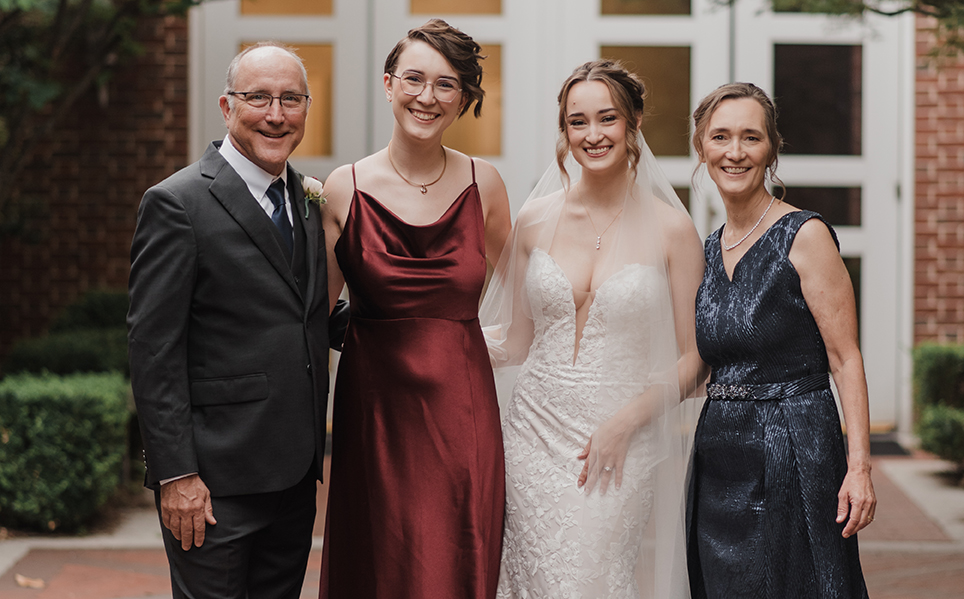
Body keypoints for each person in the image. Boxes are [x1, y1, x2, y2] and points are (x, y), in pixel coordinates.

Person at [127, 42, 348, 598]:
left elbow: (309, 315)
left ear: (306, 108)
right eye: (259, 98)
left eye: (290, 100)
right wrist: (177, 476)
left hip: (295, 477)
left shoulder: (305, 197)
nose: (276, 114)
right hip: (213, 484)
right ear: (228, 107)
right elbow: (154, 349)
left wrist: (422, 323)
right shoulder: (176, 203)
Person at [480, 59, 707, 599]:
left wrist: (625, 422)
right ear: (564, 131)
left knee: (586, 582)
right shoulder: (534, 219)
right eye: (577, 121)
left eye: (606, 119)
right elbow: (514, 340)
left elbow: (695, 360)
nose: (592, 134)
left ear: (634, 124)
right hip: (531, 435)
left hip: (622, 440)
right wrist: (422, 335)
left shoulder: (675, 231)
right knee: (532, 581)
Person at [318, 19, 511, 599]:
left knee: (454, 555)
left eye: (446, 85)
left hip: (463, 406)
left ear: (464, 99)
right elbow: (313, 316)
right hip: (374, 409)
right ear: (388, 84)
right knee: (380, 556)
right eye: (414, 79)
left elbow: (535, 297)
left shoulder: (487, 186)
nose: (427, 97)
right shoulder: (342, 188)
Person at [686, 82, 876, 599]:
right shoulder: (705, 250)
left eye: (751, 137)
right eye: (720, 136)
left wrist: (858, 466)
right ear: (702, 148)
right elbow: (700, 361)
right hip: (718, 458)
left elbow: (845, 357)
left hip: (794, 448)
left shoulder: (804, 234)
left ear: (772, 149)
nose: (735, 151)